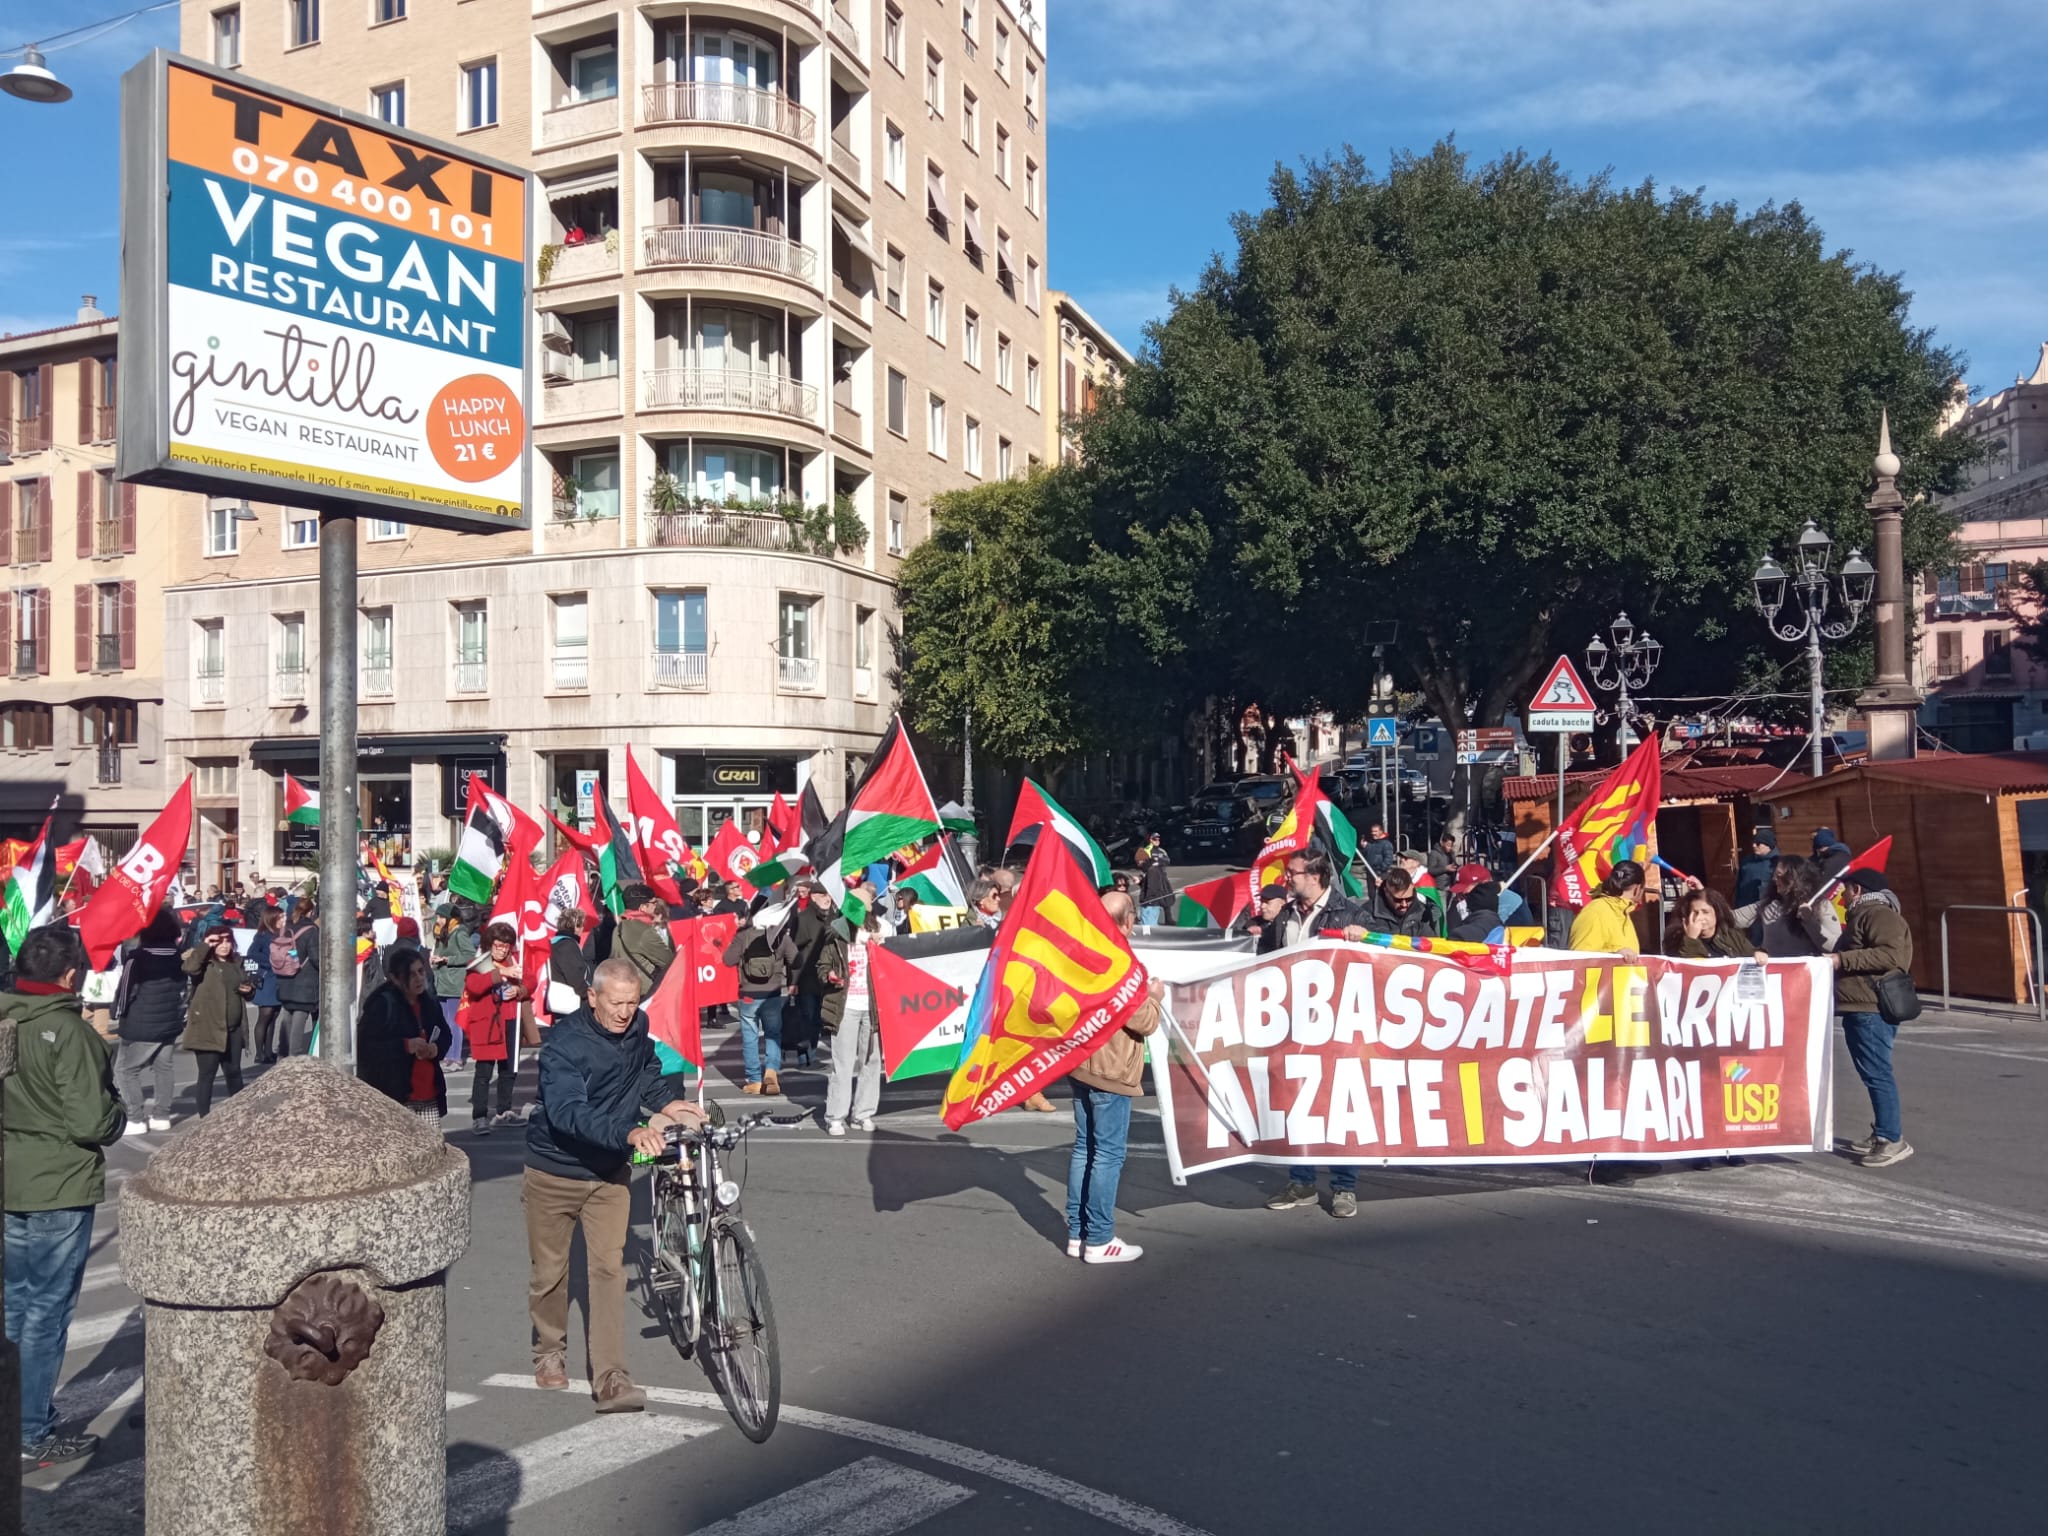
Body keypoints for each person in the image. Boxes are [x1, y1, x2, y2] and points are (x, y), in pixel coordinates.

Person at [522, 958, 708, 1412]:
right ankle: (548, 1351)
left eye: (632, 1002)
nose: (625, 1012)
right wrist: (627, 1132)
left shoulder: (636, 1028)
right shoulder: (564, 1046)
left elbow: (645, 1075)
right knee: (551, 1273)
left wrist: (672, 1103)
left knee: (608, 1271)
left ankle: (611, 1377)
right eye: (616, 1003)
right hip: (554, 1170)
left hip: (609, 1175)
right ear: (592, 998)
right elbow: (567, 1112)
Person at [3, 925, 127, 1469]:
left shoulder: (6, 1018)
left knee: (15, 1305)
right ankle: (30, 1427)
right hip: (57, 1180)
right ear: (70, 974)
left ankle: (16, 1416)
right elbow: (90, 1120)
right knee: (46, 1313)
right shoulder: (68, 1031)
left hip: (13, 1175)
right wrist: (118, 1111)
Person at [1267, 852, 1368, 1218]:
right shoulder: (1286, 913)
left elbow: (1376, 964)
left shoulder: (1351, 914)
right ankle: (1302, 1181)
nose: (1286, 878)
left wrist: (1363, 939)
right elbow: (1266, 958)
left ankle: (1344, 1187)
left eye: (1291, 873)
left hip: (1336, 1025)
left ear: (1315, 876)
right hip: (1291, 1025)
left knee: (1338, 1104)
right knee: (1298, 1104)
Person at [1064, 890, 1162, 1264]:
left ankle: (1077, 1232)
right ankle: (1100, 1239)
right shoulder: (1121, 962)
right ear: (1129, 921)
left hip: (1081, 1063)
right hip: (1111, 1069)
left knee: (1084, 1149)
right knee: (1107, 1155)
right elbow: (1145, 1021)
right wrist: (1154, 996)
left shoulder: (1081, 952)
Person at [1831, 868, 1915, 1167]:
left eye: (1845, 890)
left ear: (1857, 889)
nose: (1841, 896)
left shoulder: (1878, 914)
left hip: (1871, 1006)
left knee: (1877, 1074)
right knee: (1872, 1073)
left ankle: (1892, 1139)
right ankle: (1882, 1132)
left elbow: (1892, 956)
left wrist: (1842, 959)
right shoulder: (1864, 915)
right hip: (1861, 1005)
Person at [111, 908, 185, 1133]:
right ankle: (161, 1115)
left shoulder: (138, 957)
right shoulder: (176, 955)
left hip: (141, 1021)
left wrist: (117, 1011)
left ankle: (135, 1118)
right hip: (170, 1019)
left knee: (125, 1069)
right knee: (164, 1067)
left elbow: (126, 990)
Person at [357, 946, 451, 1121]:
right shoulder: (382, 1005)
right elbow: (365, 1047)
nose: (418, 978)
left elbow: (445, 1034)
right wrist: (406, 1045)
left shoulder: (429, 1003)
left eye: (421, 971)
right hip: (396, 1098)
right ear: (395, 978)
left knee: (433, 1147)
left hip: (429, 1096)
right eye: (410, 974)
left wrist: (435, 1049)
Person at [462, 922, 530, 1133]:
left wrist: (519, 990)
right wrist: (500, 974)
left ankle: (504, 1111)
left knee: (509, 1070)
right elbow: (474, 986)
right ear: (489, 944)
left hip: (510, 1020)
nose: (502, 950)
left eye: (506, 946)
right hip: (488, 1024)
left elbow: (531, 981)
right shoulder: (478, 962)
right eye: (498, 945)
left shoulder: (515, 962)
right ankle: (480, 1116)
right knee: (483, 1072)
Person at [179, 920, 252, 1116]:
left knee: (234, 1073)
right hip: (208, 1028)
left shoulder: (236, 963)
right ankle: (204, 1117)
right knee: (207, 1076)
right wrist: (205, 945)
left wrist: (248, 990)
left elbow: (242, 988)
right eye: (219, 941)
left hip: (233, 1029)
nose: (224, 945)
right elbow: (189, 968)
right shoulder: (204, 963)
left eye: (228, 941)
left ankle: (239, 1115)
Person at [724, 902, 797, 1095]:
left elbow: (727, 960)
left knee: (750, 1037)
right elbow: (796, 960)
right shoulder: (780, 936)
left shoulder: (743, 935)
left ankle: (754, 1080)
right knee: (773, 1034)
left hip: (748, 993)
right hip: (772, 993)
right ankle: (771, 1073)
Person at [823, 909, 882, 1136]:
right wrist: (829, 974)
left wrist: (878, 942)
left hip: (872, 1007)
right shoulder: (837, 937)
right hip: (845, 1006)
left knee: (871, 1060)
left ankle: (863, 1113)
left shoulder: (879, 934)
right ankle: (836, 1116)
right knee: (843, 1063)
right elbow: (822, 965)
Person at [1733, 856, 1838, 958]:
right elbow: (1733, 917)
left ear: (1795, 878)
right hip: (1774, 971)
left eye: (1779, 875)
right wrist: (1717, 908)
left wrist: (1809, 921)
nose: (1774, 879)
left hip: (1804, 972)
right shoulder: (1768, 904)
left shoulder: (1820, 906)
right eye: (1774, 875)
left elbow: (1835, 946)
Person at [787, 882, 839, 1068]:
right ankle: (805, 1056)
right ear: (814, 896)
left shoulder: (835, 917)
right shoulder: (803, 918)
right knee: (807, 1017)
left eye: (829, 895)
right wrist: (792, 980)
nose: (828, 898)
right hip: (807, 975)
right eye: (824, 895)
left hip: (829, 976)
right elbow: (794, 951)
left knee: (820, 1018)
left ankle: (813, 1054)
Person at [273, 898, 321, 1058]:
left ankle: (282, 1054)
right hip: (304, 980)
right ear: (310, 912)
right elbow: (315, 957)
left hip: (285, 978)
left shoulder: (286, 928)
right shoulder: (311, 930)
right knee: (300, 1017)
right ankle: (293, 1056)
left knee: (287, 1015)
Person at [432, 899, 480, 1055]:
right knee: (444, 1022)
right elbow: (440, 953)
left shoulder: (459, 933)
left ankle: (455, 1056)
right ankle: (447, 1054)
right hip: (442, 983)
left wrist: (448, 960)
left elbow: (470, 955)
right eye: (437, 917)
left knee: (454, 1022)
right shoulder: (441, 932)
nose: (438, 920)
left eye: (441, 917)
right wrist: (434, 959)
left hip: (454, 984)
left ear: (450, 918)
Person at [1567, 861, 1648, 953]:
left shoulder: (1623, 913)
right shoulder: (1595, 912)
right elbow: (1579, 958)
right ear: (1637, 889)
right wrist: (1615, 955)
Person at [612, 883, 675, 998]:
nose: (656, 906)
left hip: (624, 990)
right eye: (654, 903)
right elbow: (669, 961)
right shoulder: (644, 931)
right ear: (643, 907)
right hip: (645, 993)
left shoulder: (619, 927)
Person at [1665, 887, 1750, 959]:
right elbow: (1686, 969)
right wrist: (1690, 939)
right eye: (1695, 913)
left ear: (1717, 913)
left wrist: (1760, 954)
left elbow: (1752, 956)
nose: (1699, 918)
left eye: (1705, 912)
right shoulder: (1676, 939)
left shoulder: (1733, 936)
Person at [248, 906, 284, 1064]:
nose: (283, 920)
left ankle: (268, 1051)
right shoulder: (262, 936)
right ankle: (259, 1053)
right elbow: (252, 955)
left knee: (274, 1015)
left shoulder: (282, 934)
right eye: (280, 918)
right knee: (265, 1015)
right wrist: (270, 963)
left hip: (279, 978)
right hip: (267, 978)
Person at [1359, 868, 1437, 940]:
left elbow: (1434, 944)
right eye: (1398, 900)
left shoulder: (1423, 914)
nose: (1404, 904)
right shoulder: (1367, 913)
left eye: (1409, 899)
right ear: (1386, 892)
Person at [548, 909, 592, 1018]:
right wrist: (590, 995)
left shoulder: (554, 943)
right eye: (581, 925)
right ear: (576, 927)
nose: (583, 929)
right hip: (569, 1006)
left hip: (555, 1002)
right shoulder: (568, 945)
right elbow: (575, 979)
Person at [1736, 827, 1779, 908]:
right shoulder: (1746, 861)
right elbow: (1739, 886)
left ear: (1768, 845)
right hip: (1745, 906)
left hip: (1766, 909)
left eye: (1758, 843)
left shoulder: (1778, 863)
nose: (1754, 845)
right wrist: (1737, 904)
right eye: (1753, 842)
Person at [1135, 834, 1173, 926]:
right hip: (1151, 902)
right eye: (1154, 839)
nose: (1157, 840)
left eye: (1158, 839)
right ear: (1150, 840)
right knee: (1148, 926)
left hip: (1150, 904)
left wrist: (1148, 902)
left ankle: (1168, 920)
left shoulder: (1161, 852)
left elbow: (1167, 860)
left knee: (1148, 927)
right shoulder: (1147, 850)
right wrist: (1140, 882)